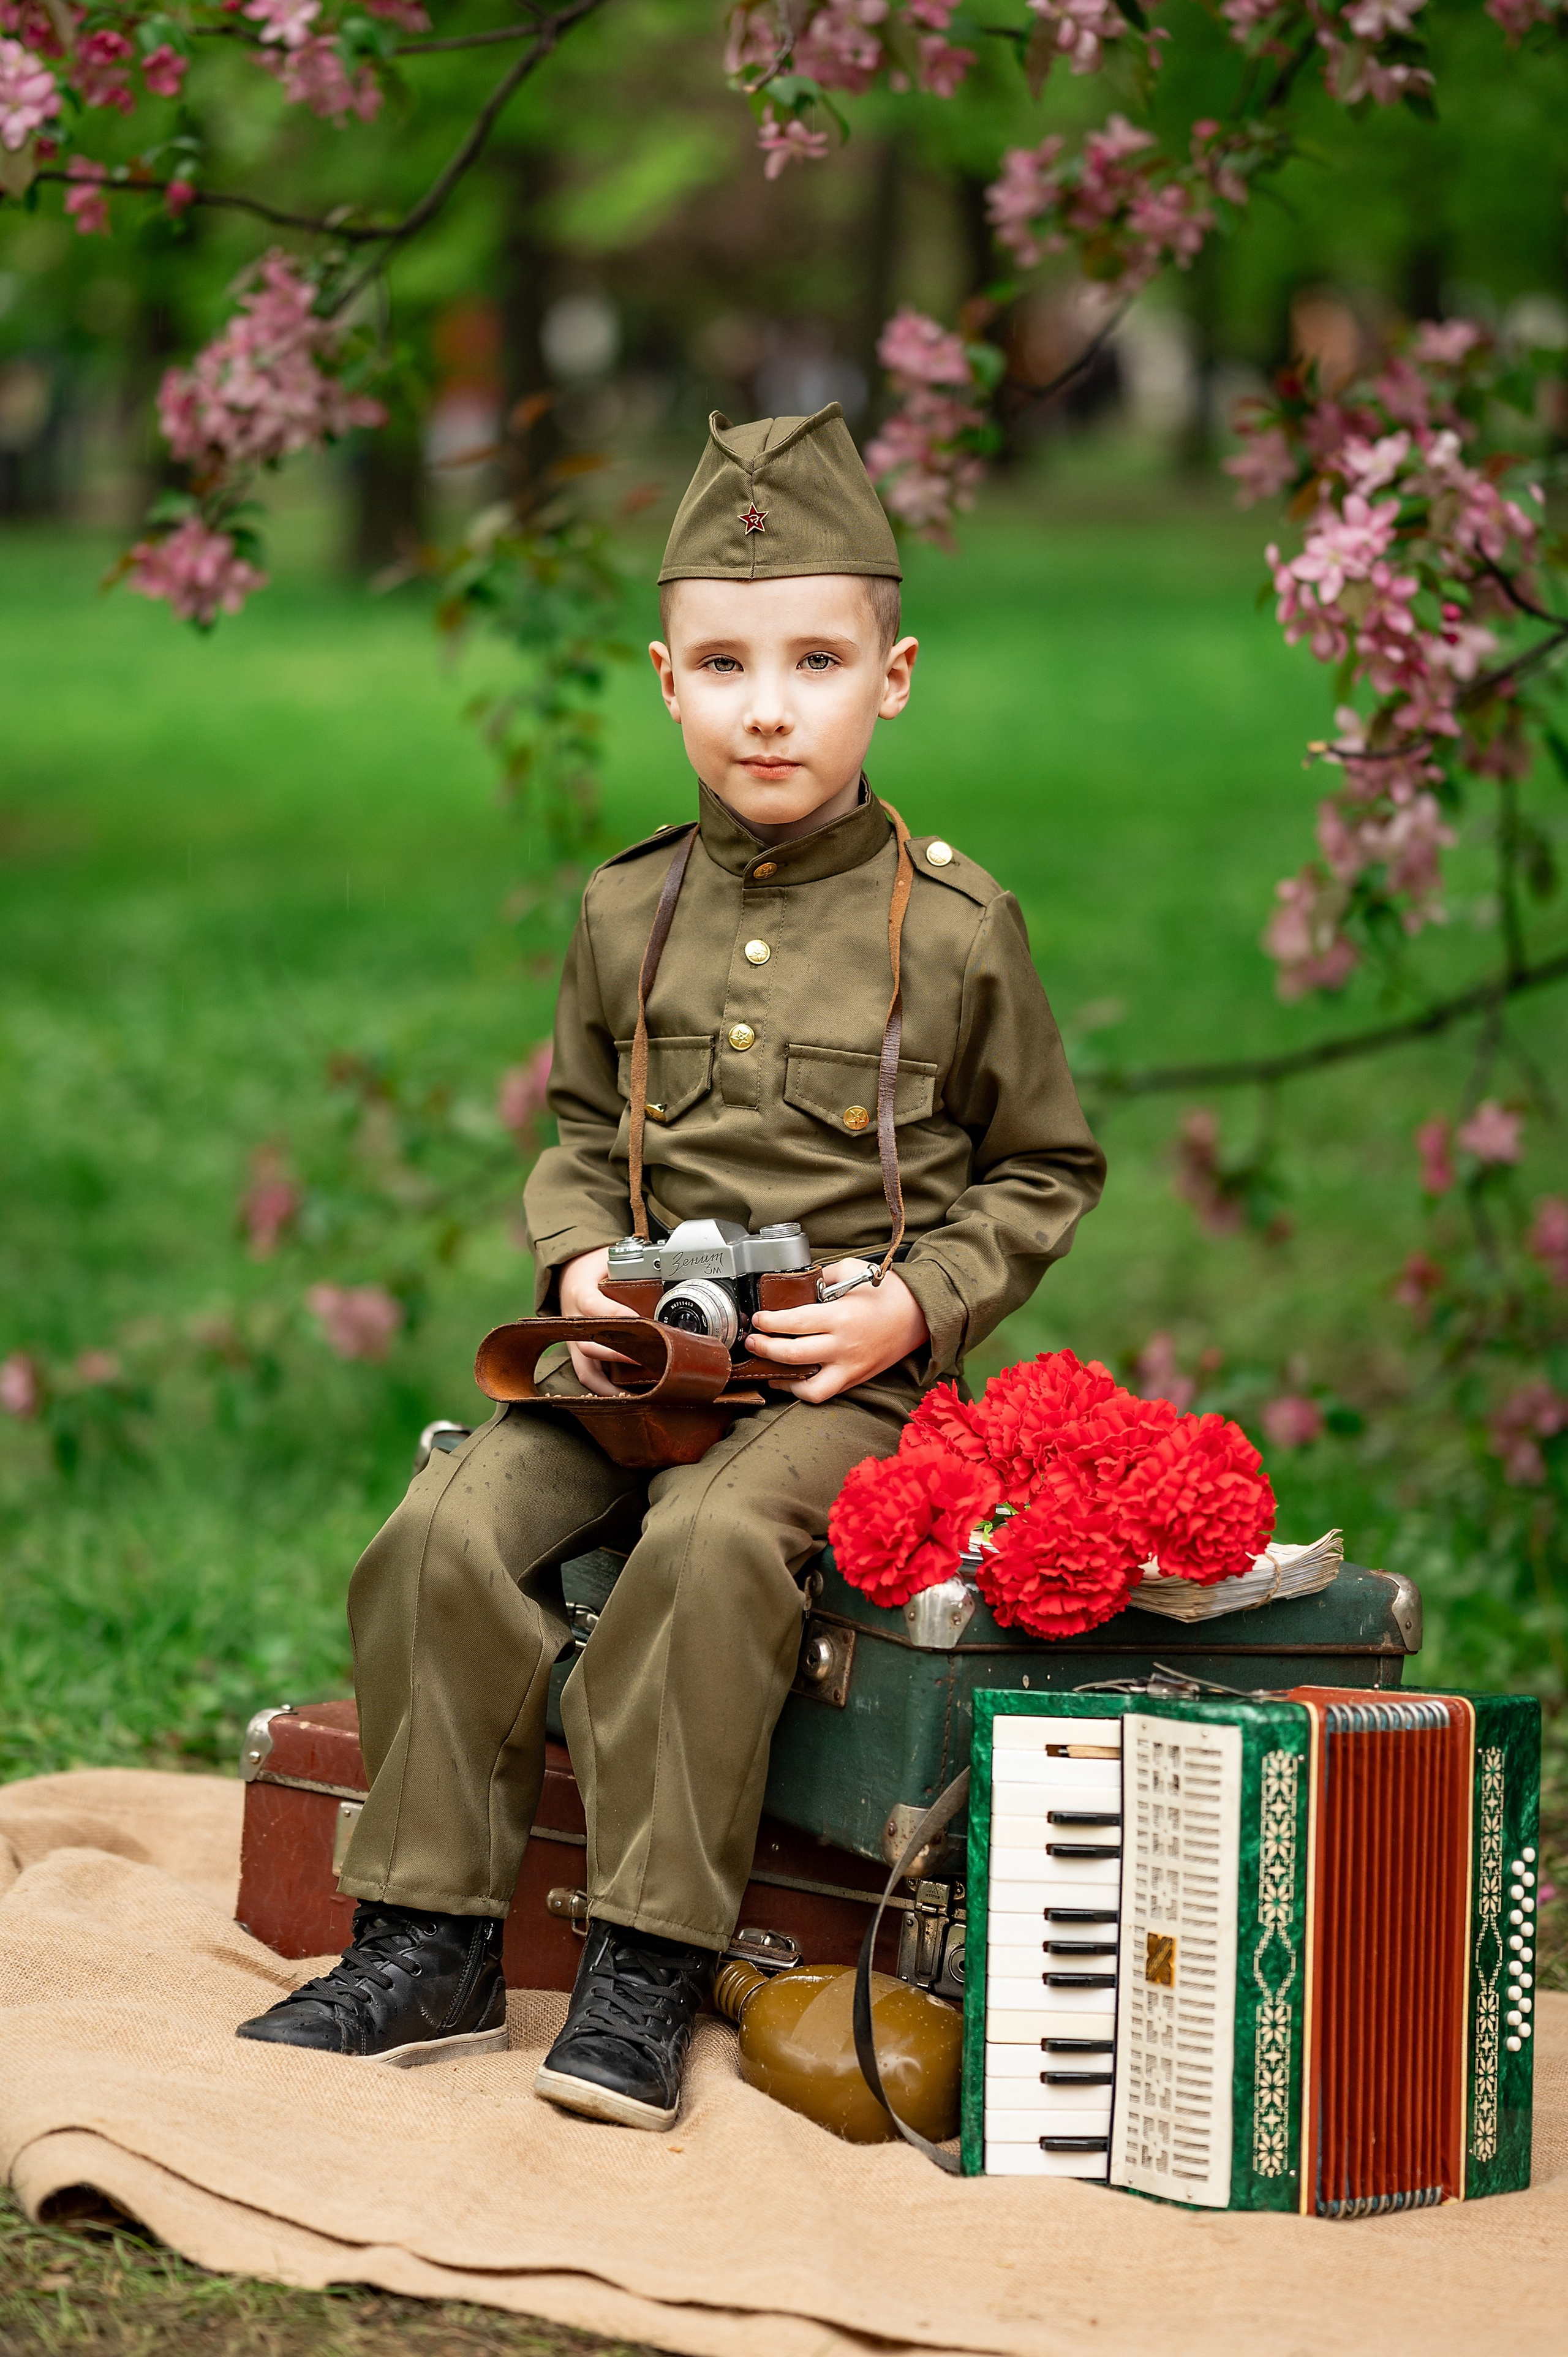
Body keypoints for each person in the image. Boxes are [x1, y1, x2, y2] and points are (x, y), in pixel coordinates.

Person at [236, 403, 1106, 2130]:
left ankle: (643, 1957)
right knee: (442, 1527)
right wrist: (574, 1273)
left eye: (812, 660)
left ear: (895, 674)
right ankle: (429, 1936)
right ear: (666, 680)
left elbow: (1044, 1165)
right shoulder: (623, 911)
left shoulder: (954, 931)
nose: (767, 705)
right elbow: (571, 1126)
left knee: (706, 1550)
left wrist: (912, 1306)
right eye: (723, 662)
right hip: (639, 1365)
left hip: (838, 1389)